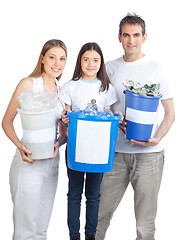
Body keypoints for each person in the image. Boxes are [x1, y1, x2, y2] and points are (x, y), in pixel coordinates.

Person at [96, 13, 175, 240]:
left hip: (149, 156)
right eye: (126, 35)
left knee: (144, 225)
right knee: (99, 217)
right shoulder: (109, 68)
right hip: (116, 154)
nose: (131, 40)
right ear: (119, 38)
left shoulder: (157, 68)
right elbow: (101, 107)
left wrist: (156, 138)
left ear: (144, 37)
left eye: (136, 35)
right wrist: (114, 117)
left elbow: (170, 114)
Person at [2, 39, 68, 240]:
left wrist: (60, 141)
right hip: (28, 162)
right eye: (52, 57)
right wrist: (20, 147)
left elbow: (62, 134)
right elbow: (6, 122)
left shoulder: (61, 90)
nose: (57, 63)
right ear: (42, 58)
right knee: (25, 230)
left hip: (51, 163)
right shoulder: (28, 84)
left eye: (62, 58)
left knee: (41, 228)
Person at [60, 42, 118, 240]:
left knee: (93, 196)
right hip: (76, 148)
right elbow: (65, 115)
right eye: (86, 60)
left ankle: (91, 235)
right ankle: (74, 235)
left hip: (99, 151)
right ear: (80, 61)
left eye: (95, 60)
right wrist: (65, 118)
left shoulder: (106, 88)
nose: (90, 64)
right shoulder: (71, 86)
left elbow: (110, 115)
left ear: (101, 63)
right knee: (74, 195)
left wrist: (116, 116)